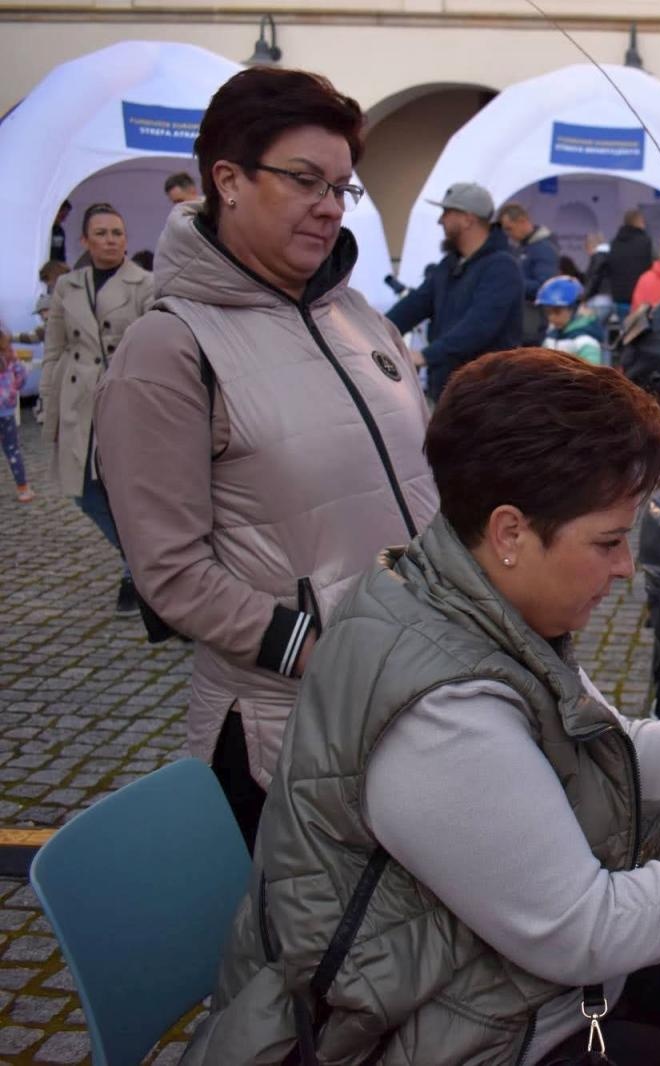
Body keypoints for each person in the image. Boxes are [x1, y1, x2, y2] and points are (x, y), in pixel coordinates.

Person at [181, 348, 660, 1065]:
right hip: (451, 1036)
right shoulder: (444, 714)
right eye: (609, 541)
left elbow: (607, 754)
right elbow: (588, 931)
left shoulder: (468, 597)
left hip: (505, 983)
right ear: (510, 532)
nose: (626, 567)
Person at [95, 67, 438, 850]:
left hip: (409, 700)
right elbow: (170, 572)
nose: (329, 205)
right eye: (305, 180)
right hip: (281, 735)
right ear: (228, 181)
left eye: (341, 188)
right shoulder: (169, 348)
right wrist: (320, 652)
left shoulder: (357, 316)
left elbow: (419, 485)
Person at [39, 201, 155, 610]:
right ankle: (139, 564)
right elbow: (54, 350)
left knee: (129, 491)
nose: (110, 240)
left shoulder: (145, 284)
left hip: (126, 400)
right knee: (84, 492)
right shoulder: (67, 287)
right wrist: (48, 407)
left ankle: (140, 574)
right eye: (101, 233)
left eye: (117, 233)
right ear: (85, 240)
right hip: (78, 402)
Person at [387, 182, 522, 402]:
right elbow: (414, 305)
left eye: (447, 212)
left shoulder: (502, 267)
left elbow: (479, 325)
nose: (440, 220)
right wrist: (376, 331)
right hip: (447, 391)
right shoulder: (449, 266)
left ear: (468, 219)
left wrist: (425, 356)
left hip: (486, 396)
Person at [497, 201, 560, 344]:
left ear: (522, 221)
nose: (508, 234)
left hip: (533, 323)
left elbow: (545, 287)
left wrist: (512, 284)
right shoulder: (522, 248)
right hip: (523, 322)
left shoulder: (543, 249)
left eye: (509, 229)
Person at [535, 275, 604, 365]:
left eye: (557, 311)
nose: (551, 317)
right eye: (548, 312)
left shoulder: (586, 342)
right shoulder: (550, 336)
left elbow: (591, 371)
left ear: (574, 308)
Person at [0, 331, 31, 502]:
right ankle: (23, 489)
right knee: (12, 450)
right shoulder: (9, 355)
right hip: (6, 411)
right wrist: (13, 389)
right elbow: (22, 374)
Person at [606, 208, 655, 318]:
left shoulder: (614, 242)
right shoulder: (645, 242)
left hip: (619, 296)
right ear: (638, 222)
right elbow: (652, 266)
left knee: (625, 326)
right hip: (640, 296)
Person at [581, 232, 614, 316]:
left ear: (590, 246)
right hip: (610, 298)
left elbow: (594, 278)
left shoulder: (598, 257)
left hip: (598, 300)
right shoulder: (610, 256)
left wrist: (584, 297)